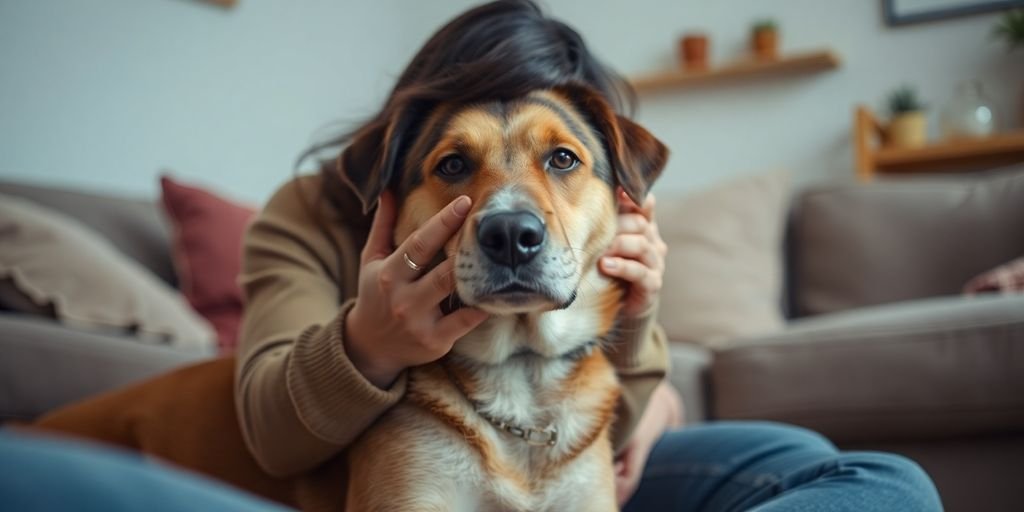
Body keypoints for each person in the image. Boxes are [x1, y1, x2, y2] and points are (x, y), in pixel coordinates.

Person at [234, 1, 943, 510]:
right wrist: (370, 340)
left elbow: (624, 418)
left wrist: (636, 319)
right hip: (421, 421)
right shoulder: (309, 210)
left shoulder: (604, 245)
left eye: (562, 157)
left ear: (619, 193)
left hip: (567, 433)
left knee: (882, 485)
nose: (511, 214)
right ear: (395, 179)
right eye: (456, 164)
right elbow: (268, 428)